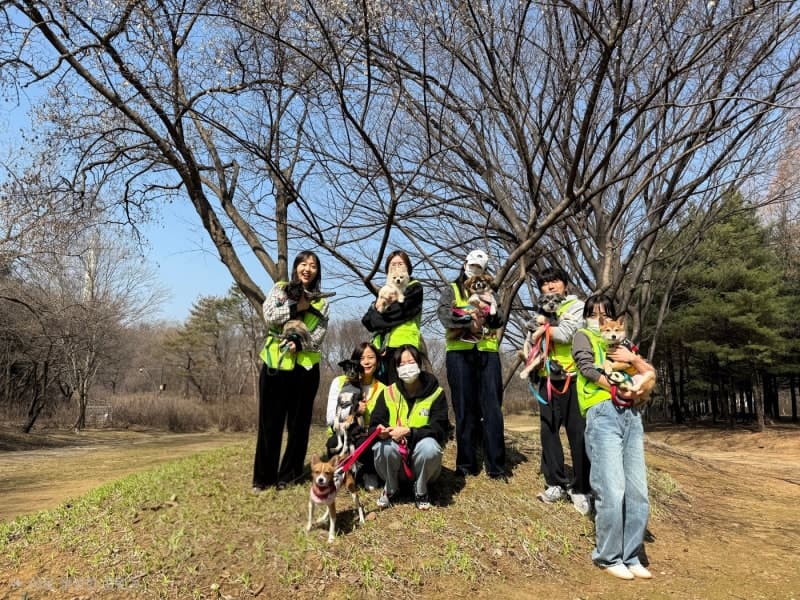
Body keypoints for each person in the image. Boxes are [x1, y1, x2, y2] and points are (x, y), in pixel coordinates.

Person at [572, 294, 655, 580]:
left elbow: (646, 371)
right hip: (602, 413)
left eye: (605, 314)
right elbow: (586, 368)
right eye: (594, 315)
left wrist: (633, 363)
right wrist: (618, 388)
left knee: (638, 492)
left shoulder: (626, 345)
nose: (600, 319)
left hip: (632, 416)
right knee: (611, 489)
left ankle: (631, 555)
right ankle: (608, 556)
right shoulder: (582, 336)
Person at [252, 251, 329, 492]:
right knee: (269, 423)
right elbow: (270, 317)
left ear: (317, 272)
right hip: (276, 364)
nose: (307, 269)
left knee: (298, 425)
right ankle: (263, 478)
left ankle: (290, 475)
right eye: (303, 264)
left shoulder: (323, 302)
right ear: (296, 268)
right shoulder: (280, 289)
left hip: (305, 369)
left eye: (313, 265)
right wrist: (296, 306)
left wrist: (301, 343)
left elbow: (319, 336)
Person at [437, 249, 506, 480]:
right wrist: (469, 319)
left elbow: (499, 318)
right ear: (464, 263)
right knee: (464, 409)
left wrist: (489, 311)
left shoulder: (490, 290)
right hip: (459, 352)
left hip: (487, 351)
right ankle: (466, 464)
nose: (474, 269)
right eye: (472, 265)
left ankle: (496, 466)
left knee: (493, 409)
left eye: (480, 267)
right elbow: (445, 317)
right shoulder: (452, 289)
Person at [369, 344, 449, 510]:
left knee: (430, 447)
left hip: (422, 462)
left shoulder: (437, 393)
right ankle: (391, 488)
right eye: (401, 364)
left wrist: (410, 432)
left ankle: (421, 490)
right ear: (396, 369)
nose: (406, 367)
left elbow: (440, 429)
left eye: (410, 362)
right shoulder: (388, 392)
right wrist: (381, 432)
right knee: (382, 447)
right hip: (395, 461)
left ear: (419, 364)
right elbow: (374, 424)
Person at [323, 342, 386, 490]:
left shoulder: (383, 388)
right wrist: (353, 410)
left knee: (369, 440)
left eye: (371, 357)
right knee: (334, 443)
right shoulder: (338, 382)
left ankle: (369, 472)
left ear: (377, 361)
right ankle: (343, 472)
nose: (366, 362)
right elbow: (330, 418)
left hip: (366, 437)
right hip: (342, 433)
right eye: (361, 358)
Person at [361, 250, 423, 384]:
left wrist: (377, 314)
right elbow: (367, 321)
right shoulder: (385, 290)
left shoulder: (414, 288)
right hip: (382, 350)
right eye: (392, 264)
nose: (396, 267)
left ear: (408, 267)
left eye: (400, 263)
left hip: (405, 349)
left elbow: (394, 314)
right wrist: (376, 313)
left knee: (403, 391)